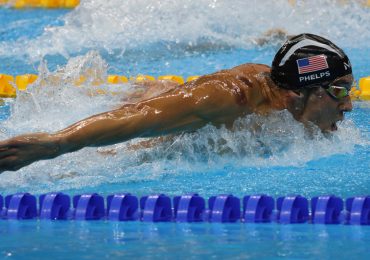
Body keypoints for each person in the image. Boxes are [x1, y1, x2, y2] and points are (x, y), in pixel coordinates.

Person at [0, 33, 353, 173]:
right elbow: (138, 118)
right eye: (339, 91)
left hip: (182, 101)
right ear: (299, 94)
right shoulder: (229, 98)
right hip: (166, 115)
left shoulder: (285, 94)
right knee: (119, 156)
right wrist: (57, 144)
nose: (349, 106)